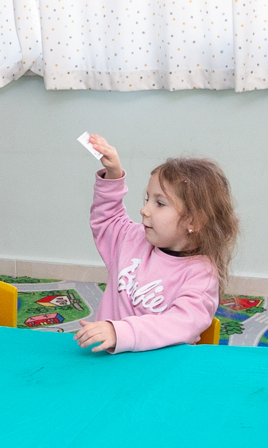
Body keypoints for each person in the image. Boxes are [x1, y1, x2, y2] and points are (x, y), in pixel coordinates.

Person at [72, 138, 229, 352]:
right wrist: (113, 176)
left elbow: (183, 323)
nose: (144, 210)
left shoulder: (201, 275)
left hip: (155, 373)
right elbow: (107, 220)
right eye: (147, 199)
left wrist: (120, 332)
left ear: (194, 222)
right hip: (103, 363)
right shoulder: (133, 239)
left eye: (160, 203)